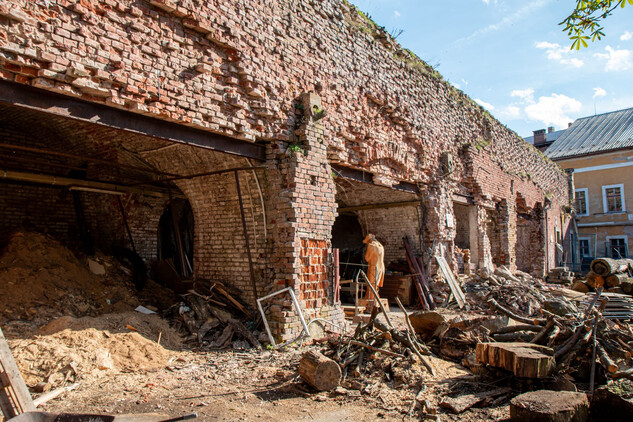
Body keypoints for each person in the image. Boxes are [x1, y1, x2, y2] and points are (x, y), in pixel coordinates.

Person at [363, 234, 385, 300]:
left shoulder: (371, 246)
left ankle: (371, 298)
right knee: (376, 284)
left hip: (374, 266)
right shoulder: (380, 246)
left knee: (371, 284)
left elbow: (367, 258)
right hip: (381, 267)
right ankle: (375, 296)